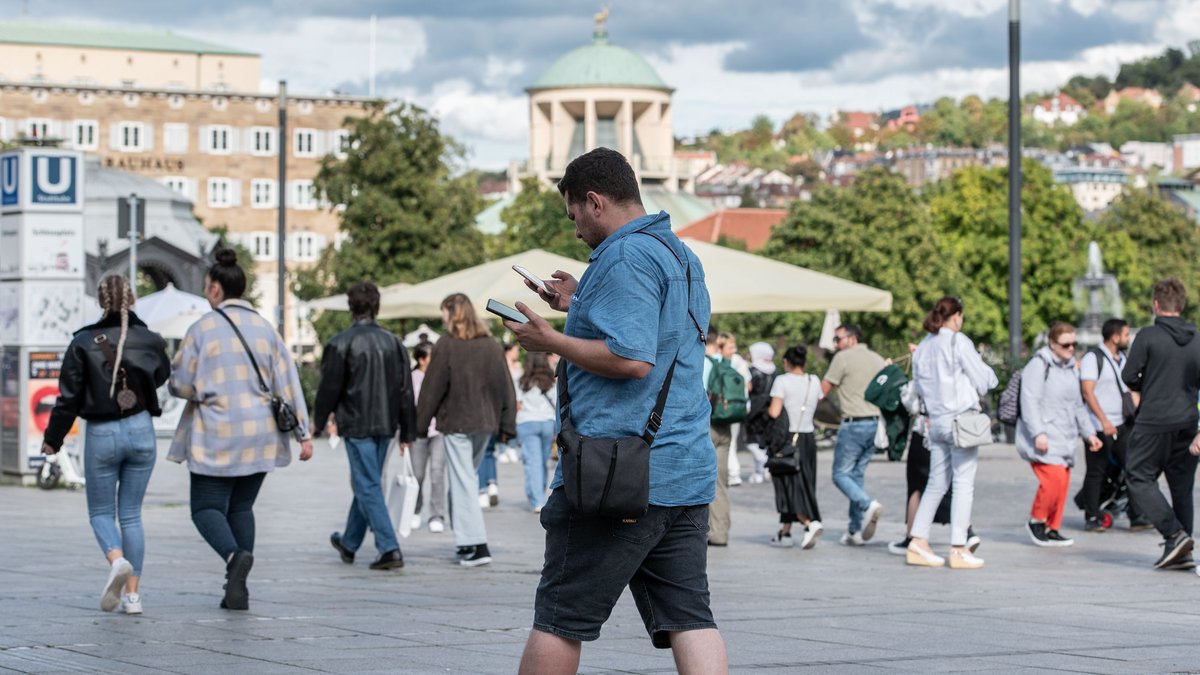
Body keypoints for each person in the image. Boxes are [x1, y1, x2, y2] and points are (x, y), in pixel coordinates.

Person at [506, 148, 727, 674]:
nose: (576, 230)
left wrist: (550, 339)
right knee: (689, 615)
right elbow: (656, 329)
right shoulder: (678, 254)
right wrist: (580, 301)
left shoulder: (624, 257)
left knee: (561, 616)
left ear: (594, 201)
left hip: (616, 473)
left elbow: (631, 359)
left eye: (575, 216)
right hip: (683, 470)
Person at [168, 249, 313, 610]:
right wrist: (304, 434)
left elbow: (180, 383)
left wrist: (200, 388)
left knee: (205, 508)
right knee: (242, 506)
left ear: (216, 289)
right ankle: (237, 589)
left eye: (206, 288)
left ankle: (234, 557)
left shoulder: (202, 328)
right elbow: (288, 382)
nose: (205, 294)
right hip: (261, 433)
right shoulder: (266, 329)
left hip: (218, 431)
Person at [41, 274, 170, 614]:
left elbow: (67, 398)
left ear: (100, 302)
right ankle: (132, 598)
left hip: (101, 433)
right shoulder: (152, 340)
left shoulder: (82, 342)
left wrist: (52, 441)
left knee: (100, 512)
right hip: (142, 430)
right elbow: (161, 377)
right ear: (133, 300)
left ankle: (116, 560)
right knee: (131, 515)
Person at [313, 282, 416, 570]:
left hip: (356, 423)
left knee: (367, 483)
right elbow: (405, 390)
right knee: (368, 481)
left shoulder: (339, 342)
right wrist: (407, 430)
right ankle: (349, 541)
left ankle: (389, 547)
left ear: (351, 307)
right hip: (386, 423)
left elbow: (329, 388)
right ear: (376, 306)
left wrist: (318, 422)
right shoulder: (393, 343)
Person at [415, 293, 516, 568]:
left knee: (463, 482)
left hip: (457, 422)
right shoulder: (491, 346)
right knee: (466, 478)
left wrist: (419, 426)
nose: (442, 318)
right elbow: (505, 386)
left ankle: (476, 544)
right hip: (485, 423)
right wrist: (507, 426)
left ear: (452, 312)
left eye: (444, 312)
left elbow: (431, 390)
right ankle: (466, 541)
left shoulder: (446, 345)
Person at [905, 297, 998, 569]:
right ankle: (958, 547)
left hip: (935, 419)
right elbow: (984, 379)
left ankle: (918, 540)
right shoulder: (958, 342)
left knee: (936, 482)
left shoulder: (924, 345)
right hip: (961, 418)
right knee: (963, 483)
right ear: (956, 316)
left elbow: (919, 387)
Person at [1122, 278, 1200, 570]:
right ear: (1182, 304)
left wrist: (1148, 382)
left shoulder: (1149, 336)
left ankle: (1174, 534)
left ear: (1156, 304)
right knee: (1181, 486)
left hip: (1153, 420)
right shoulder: (1197, 338)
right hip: (1188, 422)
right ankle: (1183, 550)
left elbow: (1129, 376)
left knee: (1138, 477)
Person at [1016, 321, 1102, 549]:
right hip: (1045, 434)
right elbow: (1029, 400)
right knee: (1052, 480)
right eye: (1066, 344)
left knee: (1062, 482)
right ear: (1052, 344)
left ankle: (1052, 527)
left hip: (1065, 435)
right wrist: (1038, 433)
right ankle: (1036, 520)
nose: (1071, 348)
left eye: (1074, 344)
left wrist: (1089, 433)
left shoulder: (1071, 368)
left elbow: (1077, 405)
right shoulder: (1039, 365)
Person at [822, 323, 886, 545]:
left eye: (838, 339)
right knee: (856, 476)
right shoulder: (878, 359)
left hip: (853, 423)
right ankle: (854, 530)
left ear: (851, 339)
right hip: (875, 425)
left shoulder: (843, 357)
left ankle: (868, 504)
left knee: (840, 475)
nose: (836, 344)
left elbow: (824, 389)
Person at [1078, 318, 1134, 532]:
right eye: (1126, 335)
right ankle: (1091, 516)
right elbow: (1087, 391)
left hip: (1121, 423)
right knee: (1096, 471)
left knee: (1133, 468)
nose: (1128, 338)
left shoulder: (1121, 358)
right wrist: (1103, 420)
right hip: (1099, 426)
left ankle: (1136, 514)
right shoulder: (1094, 358)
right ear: (1115, 337)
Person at [765, 345, 824, 549]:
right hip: (808, 438)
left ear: (786, 362)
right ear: (805, 362)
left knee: (789, 484)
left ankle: (810, 523)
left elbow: (774, 412)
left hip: (788, 438)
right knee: (805, 482)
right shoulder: (814, 380)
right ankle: (785, 532)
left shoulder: (782, 381)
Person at [704, 331, 741, 546]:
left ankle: (707, 531)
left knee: (702, 478)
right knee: (721, 481)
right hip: (725, 426)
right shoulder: (727, 363)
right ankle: (721, 531)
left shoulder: (703, 361)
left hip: (707, 425)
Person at [409, 341, 447, 533]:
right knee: (417, 474)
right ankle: (414, 511)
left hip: (438, 431)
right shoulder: (411, 378)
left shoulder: (441, 377)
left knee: (437, 473)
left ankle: (436, 515)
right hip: (417, 432)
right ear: (421, 359)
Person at [516, 352, 557, 512]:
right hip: (547, 423)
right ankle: (539, 494)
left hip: (527, 422)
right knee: (542, 461)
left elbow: (518, 404)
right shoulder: (551, 381)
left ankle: (537, 499)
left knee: (532, 462)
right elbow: (555, 404)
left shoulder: (523, 381)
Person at [744, 342, 777, 485]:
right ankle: (759, 472)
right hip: (770, 408)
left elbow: (748, 389)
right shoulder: (775, 370)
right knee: (763, 442)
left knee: (752, 441)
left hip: (754, 408)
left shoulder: (752, 370)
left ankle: (763, 464)